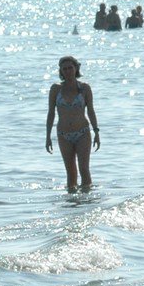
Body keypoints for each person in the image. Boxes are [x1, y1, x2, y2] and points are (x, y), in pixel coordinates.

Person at [45, 56, 100, 192]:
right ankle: (73, 205)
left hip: (83, 132)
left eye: (70, 68)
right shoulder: (56, 89)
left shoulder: (84, 88)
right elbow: (51, 113)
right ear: (61, 71)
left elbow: (91, 111)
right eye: (65, 69)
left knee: (84, 169)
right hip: (63, 134)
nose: (68, 71)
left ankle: (87, 201)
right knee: (70, 171)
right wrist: (47, 137)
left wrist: (96, 132)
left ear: (76, 68)